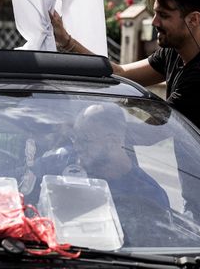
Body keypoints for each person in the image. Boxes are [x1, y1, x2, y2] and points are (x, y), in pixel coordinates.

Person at [50, 0, 200, 185]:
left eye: (164, 16)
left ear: (193, 19)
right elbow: (121, 74)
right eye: (155, 13)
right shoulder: (175, 51)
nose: (155, 22)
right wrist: (67, 42)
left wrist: (88, 129)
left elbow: (152, 131)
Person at [73, 103, 171, 246]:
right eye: (74, 138)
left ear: (112, 142)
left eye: (84, 140)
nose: (76, 147)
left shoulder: (149, 195)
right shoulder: (64, 163)